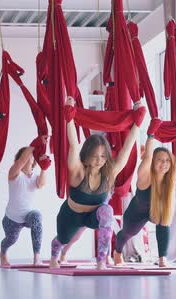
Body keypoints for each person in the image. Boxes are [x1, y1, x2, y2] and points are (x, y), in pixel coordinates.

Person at [50, 97, 142, 270]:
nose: (99, 160)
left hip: (94, 216)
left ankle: (101, 260)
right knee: (64, 239)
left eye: (102, 156)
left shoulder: (109, 174)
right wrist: (69, 117)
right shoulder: (78, 171)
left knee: (107, 210)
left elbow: (126, 150)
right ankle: (55, 253)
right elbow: (73, 145)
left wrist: (137, 123)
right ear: (87, 155)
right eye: (95, 155)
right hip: (71, 215)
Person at [114, 118, 176, 267]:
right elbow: (147, 157)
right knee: (127, 234)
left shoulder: (172, 178)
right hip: (136, 213)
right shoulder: (145, 176)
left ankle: (163, 258)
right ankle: (117, 252)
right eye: (160, 160)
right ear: (153, 162)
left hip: (156, 211)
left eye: (167, 160)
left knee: (164, 221)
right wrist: (151, 134)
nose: (164, 164)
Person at [0, 138, 50, 266]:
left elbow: (41, 184)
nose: (28, 159)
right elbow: (22, 160)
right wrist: (35, 143)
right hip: (11, 219)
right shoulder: (14, 174)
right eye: (25, 157)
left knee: (37, 217)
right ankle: (3, 252)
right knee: (11, 240)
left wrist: (44, 168)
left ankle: (37, 257)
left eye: (31, 157)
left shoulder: (35, 178)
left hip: (27, 216)